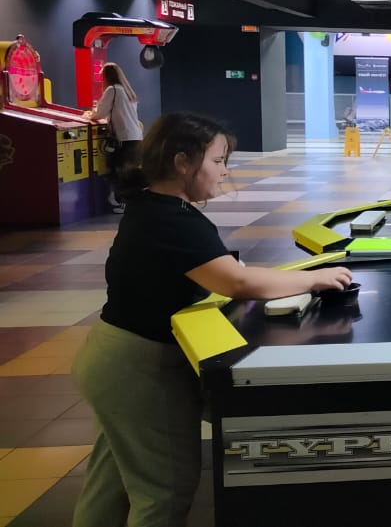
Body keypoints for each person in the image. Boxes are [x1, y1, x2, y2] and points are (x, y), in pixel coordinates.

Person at [71, 112, 352, 527]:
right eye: (218, 161)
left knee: (111, 481)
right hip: (138, 369)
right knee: (164, 490)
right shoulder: (172, 219)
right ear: (183, 162)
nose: (224, 172)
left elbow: (222, 274)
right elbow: (236, 281)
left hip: (112, 359)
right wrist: (314, 280)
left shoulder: (152, 207)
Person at [86, 63, 144, 213]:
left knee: (118, 171)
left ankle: (122, 203)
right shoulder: (128, 90)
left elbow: (100, 113)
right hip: (135, 137)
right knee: (129, 172)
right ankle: (130, 203)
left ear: (107, 76)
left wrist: (89, 115)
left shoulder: (112, 90)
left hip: (124, 138)